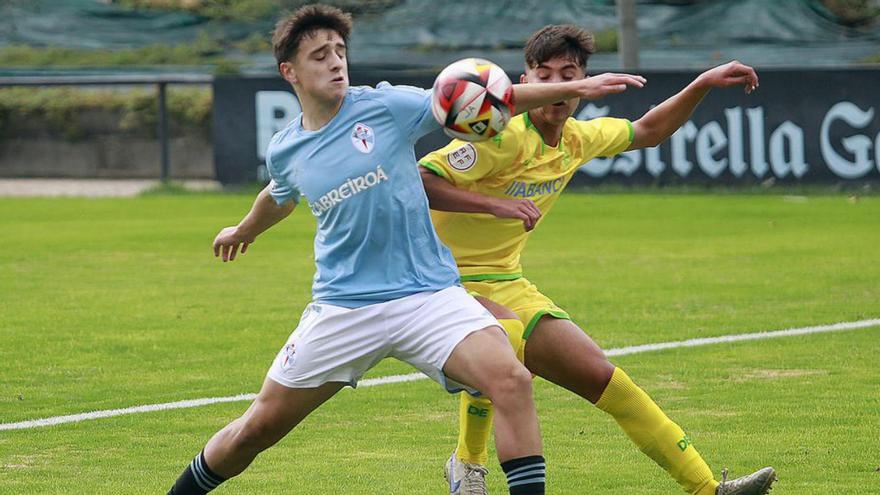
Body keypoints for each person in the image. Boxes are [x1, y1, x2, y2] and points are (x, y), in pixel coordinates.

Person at [165, 7, 648, 495]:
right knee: (256, 430)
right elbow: (278, 194)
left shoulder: (385, 106)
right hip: (345, 307)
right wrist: (244, 229)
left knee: (510, 379)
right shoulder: (288, 148)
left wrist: (573, 88)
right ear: (289, 72)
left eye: (339, 51)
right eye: (319, 55)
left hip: (428, 296)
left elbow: (478, 97)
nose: (336, 63)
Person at [418, 25, 777, 495]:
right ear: (522, 81)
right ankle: (468, 464)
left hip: (505, 281)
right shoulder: (499, 135)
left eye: (567, 74)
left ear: (582, 82)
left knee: (606, 379)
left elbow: (648, 130)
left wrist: (703, 83)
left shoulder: (576, 140)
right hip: (441, 281)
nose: (556, 86)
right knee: (501, 344)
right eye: (542, 75)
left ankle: (709, 490)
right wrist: (497, 204)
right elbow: (421, 178)